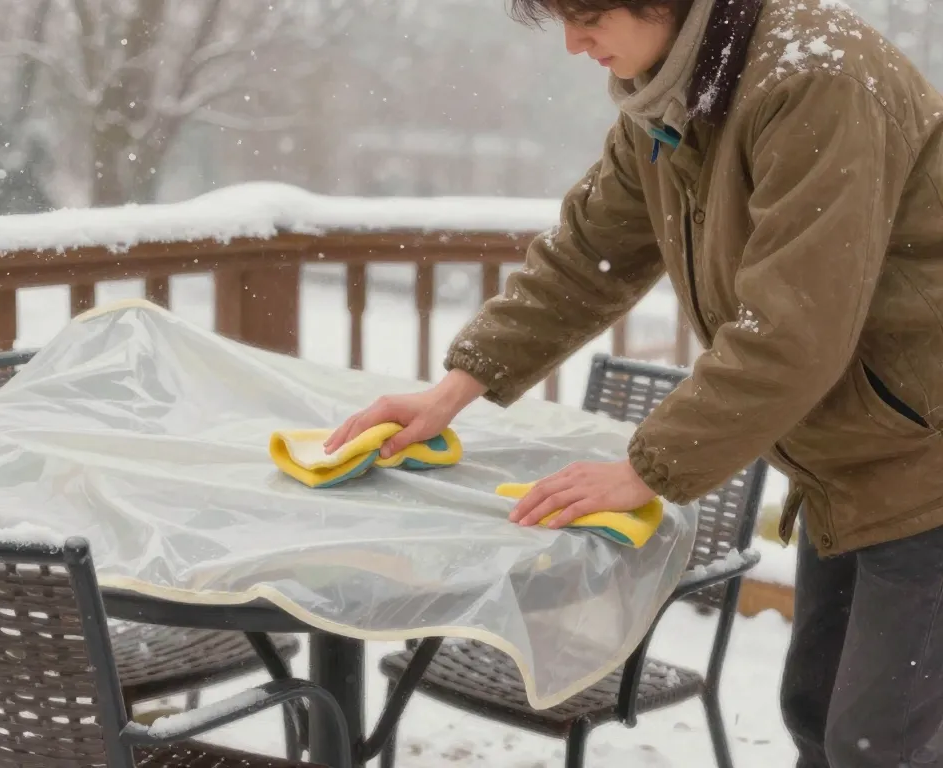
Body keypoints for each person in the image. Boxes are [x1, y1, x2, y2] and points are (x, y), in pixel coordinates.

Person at [326, 0, 943, 765]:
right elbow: (588, 260)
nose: (575, 44)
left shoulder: (816, 79)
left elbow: (795, 328)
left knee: (880, 743)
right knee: (819, 719)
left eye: (588, 15)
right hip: (851, 461)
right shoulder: (676, 101)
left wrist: (645, 469)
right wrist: (451, 391)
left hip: (925, 458)